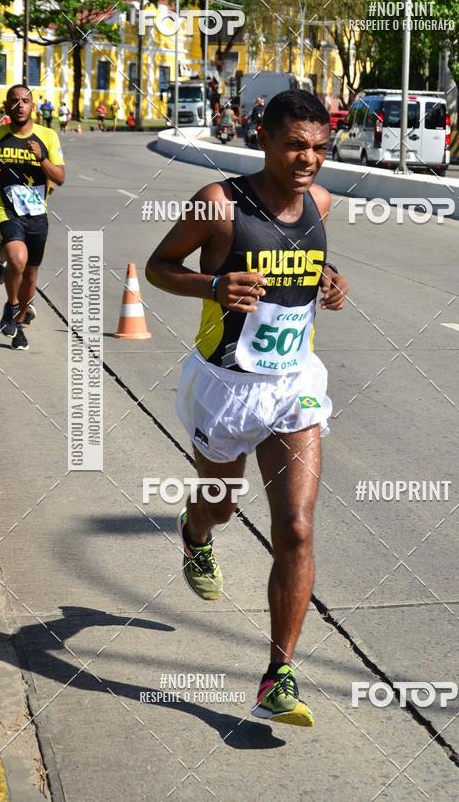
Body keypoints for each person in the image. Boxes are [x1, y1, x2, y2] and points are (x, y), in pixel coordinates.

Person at [146, 90, 348, 728]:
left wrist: (329, 280)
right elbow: (158, 267)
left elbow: (305, 267)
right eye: (294, 145)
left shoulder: (320, 203)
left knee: (295, 529)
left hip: (294, 385)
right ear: (263, 139)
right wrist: (212, 284)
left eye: (318, 147)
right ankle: (195, 532)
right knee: (221, 504)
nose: (307, 159)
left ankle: (277, 674)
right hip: (226, 387)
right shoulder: (219, 203)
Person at [0, 84, 66, 349]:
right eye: (14, 101)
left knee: (31, 274)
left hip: (37, 215)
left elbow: (60, 177)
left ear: (32, 106)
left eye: (25, 100)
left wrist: (43, 159)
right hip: (5, 210)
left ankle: (19, 322)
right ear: (7, 106)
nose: (20, 105)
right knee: (17, 260)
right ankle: (12, 305)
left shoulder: (47, 136)